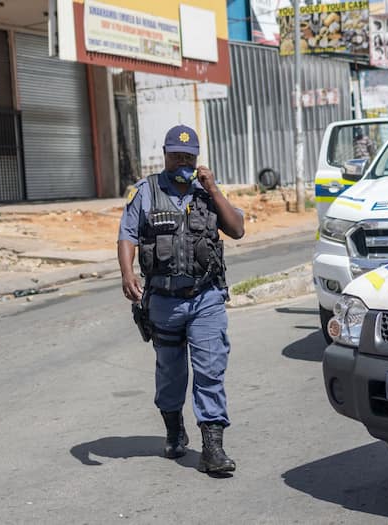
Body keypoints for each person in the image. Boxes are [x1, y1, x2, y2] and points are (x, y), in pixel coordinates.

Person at [118, 125, 245, 474]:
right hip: (163, 300)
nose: (182, 162)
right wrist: (127, 273)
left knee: (210, 370)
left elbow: (236, 229)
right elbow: (127, 234)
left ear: (197, 158)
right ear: (165, 154)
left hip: (206, 297)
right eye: (176, 155)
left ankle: (213, 449)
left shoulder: (207, 193)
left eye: (188, 157)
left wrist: (214, 189)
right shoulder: (145, 192)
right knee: (171, 373)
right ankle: (174, 431)